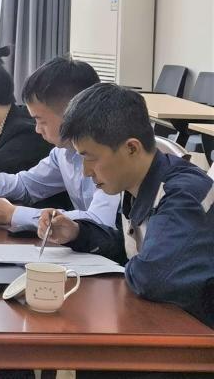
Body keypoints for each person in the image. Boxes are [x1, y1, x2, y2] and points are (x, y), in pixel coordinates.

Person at [40, 84, 214, 328]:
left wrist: (131, 265)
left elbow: (152, 276)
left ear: (131, 148)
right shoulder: (135, 183)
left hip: (197, 333)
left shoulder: (183, 195)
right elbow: (131, 249)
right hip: (166, 321)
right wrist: (78, 233)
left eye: (90, 158)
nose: (86, 172)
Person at [0, 56, 119, 232]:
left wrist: (12, 214)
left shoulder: (112, 154)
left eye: (41, 121)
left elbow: (99, 220)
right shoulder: (62, 152)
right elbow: (27, 184)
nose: (37, 129)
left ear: (72, 114)